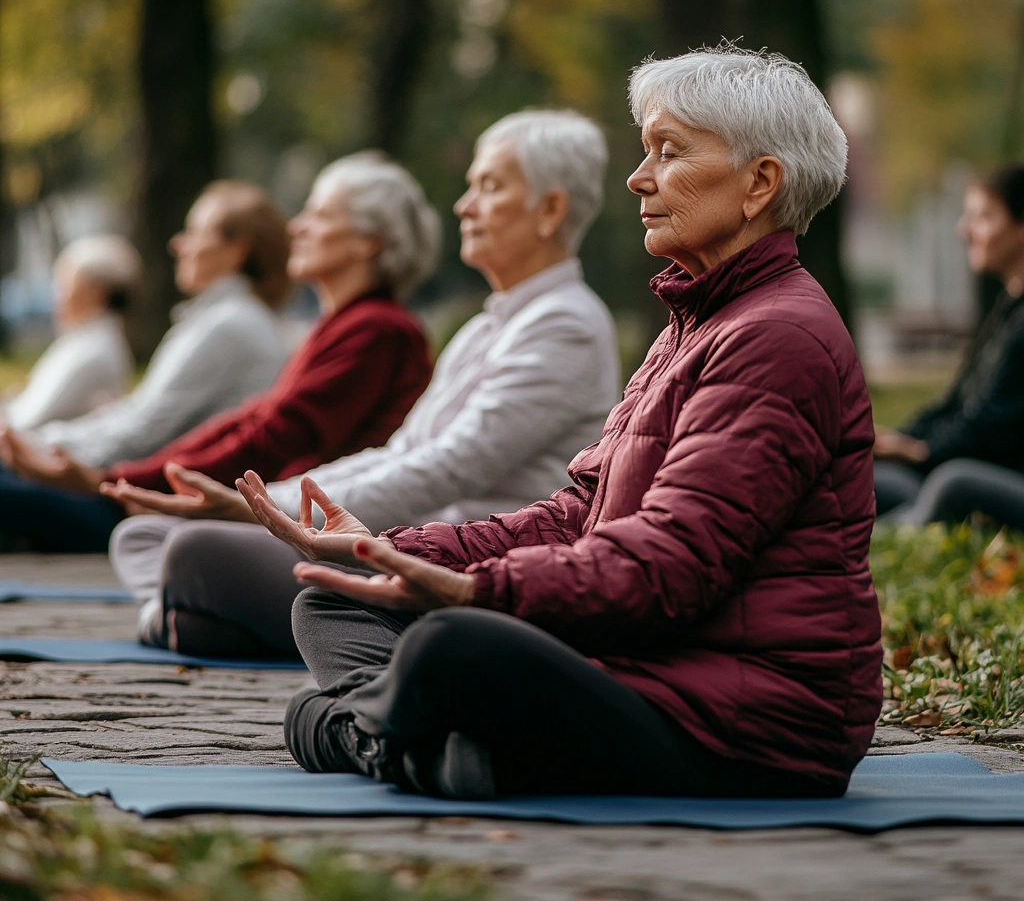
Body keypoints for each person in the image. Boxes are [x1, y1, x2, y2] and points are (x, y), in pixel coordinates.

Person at [232, 48, 882, 802]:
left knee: (450, 644)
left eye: (667, 153)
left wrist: (479, 593)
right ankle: (425, 746)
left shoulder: (776, 336)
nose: (638, 179)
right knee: (337, 595)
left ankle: (367, 734)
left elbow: (669, 564)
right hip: (648, 663)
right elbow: (580, 514)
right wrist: (390, 552)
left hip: (750, 720)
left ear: (759, 184)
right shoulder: (696, 323)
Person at [104, 109, 620, 659]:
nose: (464, 207)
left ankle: (188, 619)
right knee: (146, 536)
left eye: (488, 188)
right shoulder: (485, 327)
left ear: (550, 210)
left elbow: (444, 468)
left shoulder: (566, 325)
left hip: (448, 561)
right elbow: (400, 452)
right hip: (396, 538)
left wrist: (260, 508)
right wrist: (261, 506)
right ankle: (191, 621)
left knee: (194, 549)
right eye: (469, 187)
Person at [0, 158, 438, 555]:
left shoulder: (377, 330)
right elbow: (253, 421)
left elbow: (270, 436)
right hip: (262, 514)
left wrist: (115, 481)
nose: (296, 228)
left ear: (368, 243)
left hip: (313, 534)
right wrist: (120, 479)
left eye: (319, 215)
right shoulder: (345, 326)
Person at [0, 180, 290, 551]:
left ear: (237, 251)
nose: (178, 244)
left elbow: (146, 431)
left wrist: (43, 449)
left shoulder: (229, 325)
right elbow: (142, 417)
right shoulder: (228, 321)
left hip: (146, 505)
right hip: (146, 492)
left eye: (194, 232)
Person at [875, 165, 1024, 519]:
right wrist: (899, 440)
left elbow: (994, 426)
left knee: (951, 484)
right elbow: (956, 403)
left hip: (1000, 475)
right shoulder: (1007, 309)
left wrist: (920, 451)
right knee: (865, 475)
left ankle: (880, 542)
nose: (964, 230)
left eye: (983, 217)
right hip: (964, 463)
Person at [3, 235, 141, 430]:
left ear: (97, 292)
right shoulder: (83, 340)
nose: (56, 296)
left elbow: (29, 421)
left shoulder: (94, 351)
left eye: (65, 284)